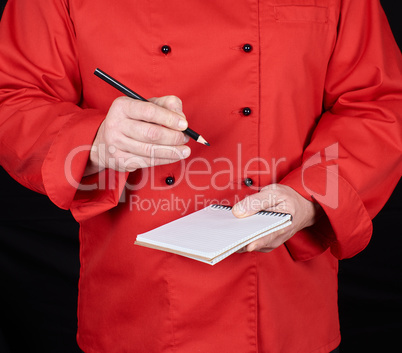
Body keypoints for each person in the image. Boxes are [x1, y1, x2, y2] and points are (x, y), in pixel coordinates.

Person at [0, 0, 401, 352]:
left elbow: (379, 104)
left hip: (283, 309)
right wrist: (94, 140)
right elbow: (12, 97)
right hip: (136, 311)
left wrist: (309, 196)